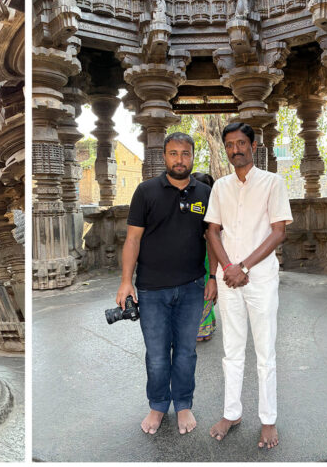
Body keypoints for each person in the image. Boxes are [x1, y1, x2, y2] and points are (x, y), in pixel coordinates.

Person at [116, 132, 217, 436]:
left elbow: (212, 236)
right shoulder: (146, 192)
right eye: (173, 154)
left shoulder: (204, 193)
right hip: (151, 288)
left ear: (192, 156)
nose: (179, 160)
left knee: (186, 351)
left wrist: (212, 278)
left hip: (192, 286)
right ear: (164, 157)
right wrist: (125, 282)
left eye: (185, 154)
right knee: (157, 354)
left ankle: (183, 403)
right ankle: (158, 405)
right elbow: (133, 238)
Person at [204, 122, 292, 449]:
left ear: (253, 147)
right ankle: (232, 413)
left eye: (241, 143)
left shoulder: (273, 183)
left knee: (265, 352)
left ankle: (268, 420)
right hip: (228, 280)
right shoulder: (221, 187)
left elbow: (278, 232)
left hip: (261, 280)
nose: (235, 150)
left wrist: (243, 266)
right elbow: (212, 231)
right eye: (229, 145)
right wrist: (226, 268)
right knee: (232, 351)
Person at [193, 172, 217, 342]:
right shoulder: (214, 204)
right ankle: (205, 326)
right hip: (208, 254)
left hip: (204, 254)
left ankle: (202, 327)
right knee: (207, 287)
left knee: (202, 288)